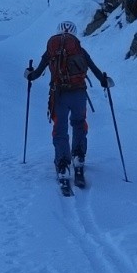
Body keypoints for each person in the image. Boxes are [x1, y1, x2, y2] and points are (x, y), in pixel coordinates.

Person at [25, 21, 112, 189]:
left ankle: (63, 165)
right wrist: (105, 81)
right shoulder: (79, 50)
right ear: (75, 34)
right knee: (79, 124)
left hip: (59, 95)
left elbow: (36, 74)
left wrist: (29, 74)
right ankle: (78, 157)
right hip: (79, 94)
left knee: (60, 129)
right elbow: (95, 70)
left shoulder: (51, 50)